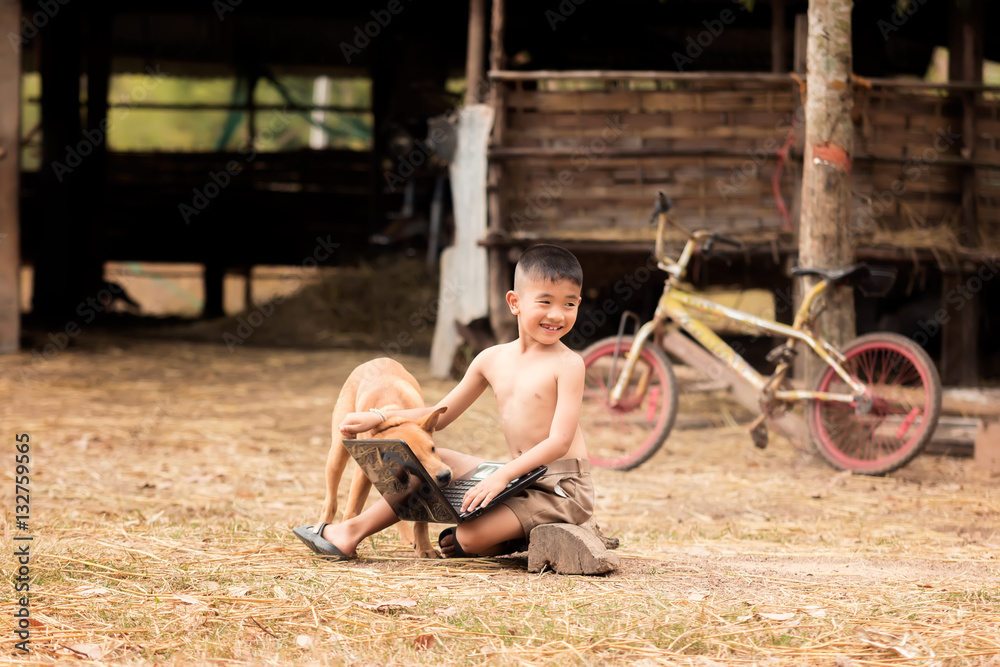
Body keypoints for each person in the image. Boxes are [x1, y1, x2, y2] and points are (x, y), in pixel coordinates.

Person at [309, 244, 594, 559]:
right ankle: (348, 533)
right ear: (515, 302)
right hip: (520, 479)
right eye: (545, 302)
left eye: (569, 304)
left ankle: (520, 535)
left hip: (561, 487)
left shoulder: (568, 365)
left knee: (467, 538)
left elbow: (559, 442)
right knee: (425, 461)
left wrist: (501, 477)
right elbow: (440, 414)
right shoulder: (491, 359)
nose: (557, 314)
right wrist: (378, 417)